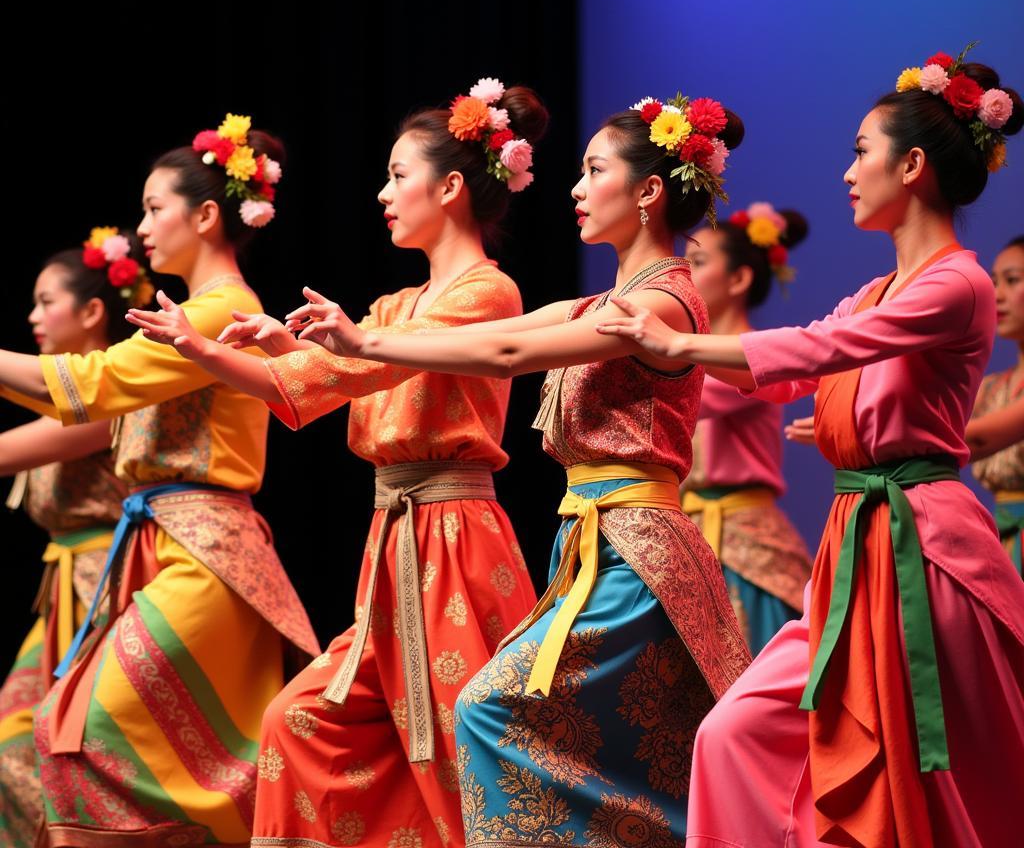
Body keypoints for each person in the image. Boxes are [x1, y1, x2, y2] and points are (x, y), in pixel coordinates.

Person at [230, 91, 752, 844]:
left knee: (489, 714)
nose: (574, 187)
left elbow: (503, 351)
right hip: (592, 549)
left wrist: (363, 347)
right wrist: (324, 347)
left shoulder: (660, 305)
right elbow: (485, 338)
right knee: (600, 749)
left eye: (594, 169)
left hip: (639, 552)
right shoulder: (607, 300)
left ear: (647, 192)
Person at [596, 49, 1024, 846]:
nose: (848, 173)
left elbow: (826, 349)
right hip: (855, 543)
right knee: (732, 734)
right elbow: (822, 354)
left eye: (863, 152)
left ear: (916, 164)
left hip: (920, 551)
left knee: (918, 770)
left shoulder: (956, 282)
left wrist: (679, 346)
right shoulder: (875, 290)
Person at [128, 80, 544, 848]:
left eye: (396, 174)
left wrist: (258, 350)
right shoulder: (392, 309)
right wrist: (232, 349)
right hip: (396, 547)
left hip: (454, 542)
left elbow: (361, 370)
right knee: (298, 724)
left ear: (451, 187)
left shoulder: (489, 293)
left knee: (465, 745)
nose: (383, 192)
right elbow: (322, 386)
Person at [0, 115, 318, 847]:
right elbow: (93, 386)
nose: (143, 225)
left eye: (154, 208)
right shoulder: (182, 318)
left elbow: (93, 383)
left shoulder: (221, 312)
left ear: (207, 215)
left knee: (79, 733)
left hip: (206, 556)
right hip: (159, 548)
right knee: (82, 741)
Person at [0, 231, 149, 848]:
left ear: (92, 313)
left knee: (83, 758)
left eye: (45, 301)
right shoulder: (64, 409)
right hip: (65, 594)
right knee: (14, 746)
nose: (33, 316)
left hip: (105, 595)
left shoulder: (110, 405)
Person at [683, 203, 813, 652]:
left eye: (697, 263)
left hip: (743, 535)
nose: (683, 275)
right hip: (690, 525)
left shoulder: (750, 356)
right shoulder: (694, 357)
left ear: (738, 279)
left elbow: (685, 401)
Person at [970, 235, 1024, 575]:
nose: (997, 294)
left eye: (1012, 280)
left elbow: (970, 439)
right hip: (1002, 549)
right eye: (993, 282)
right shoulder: (989, 389)